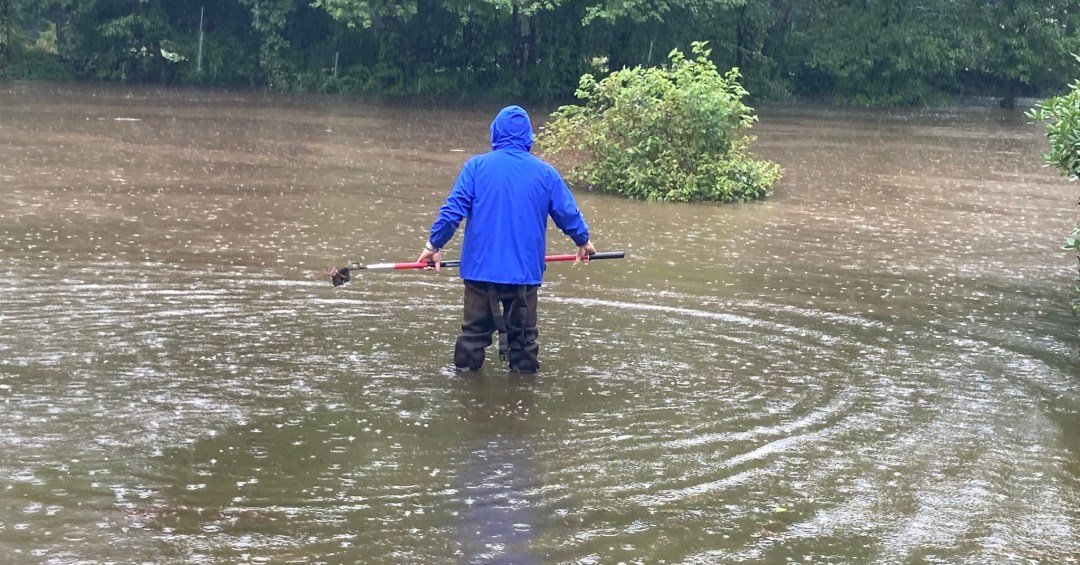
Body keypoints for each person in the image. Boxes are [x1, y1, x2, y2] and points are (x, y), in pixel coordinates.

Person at [418, 105, 594, 374]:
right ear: (529, 139)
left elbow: (452, 211)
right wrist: (583, 241)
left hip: (480, 274)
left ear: (495, 134)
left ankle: (466, 394)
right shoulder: (546, 173)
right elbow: (567, 213)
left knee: (472, 339)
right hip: (523, 277)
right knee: (524, 346)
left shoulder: (476, 167)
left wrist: (434, 245)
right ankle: (522, 402)